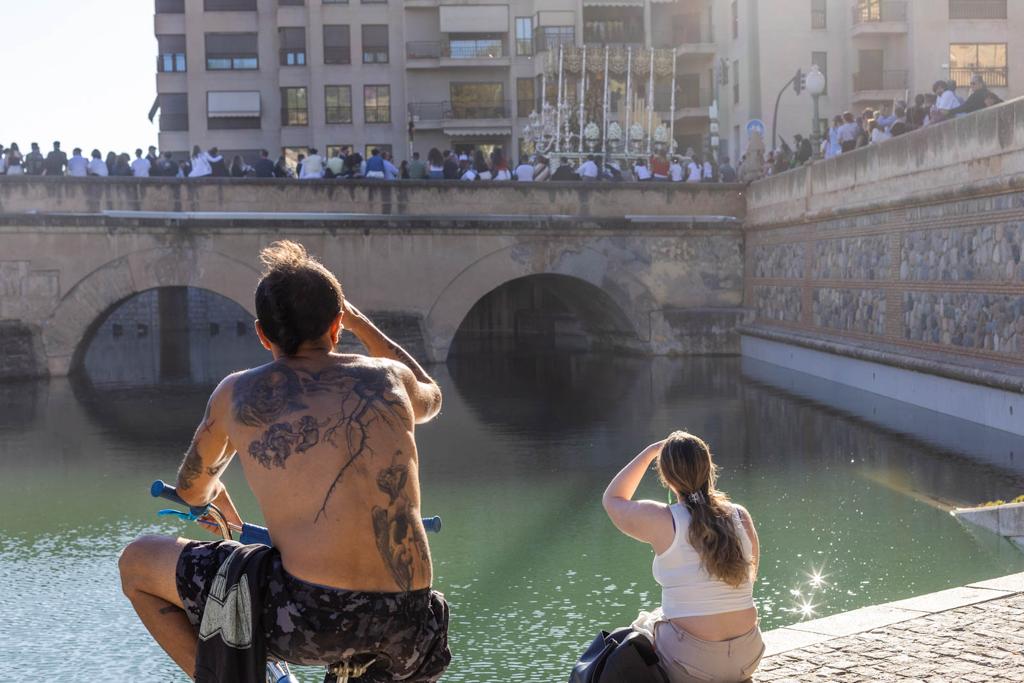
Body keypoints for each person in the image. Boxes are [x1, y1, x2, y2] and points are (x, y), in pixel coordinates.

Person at [118, 241, 451, 681]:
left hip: (311, 618)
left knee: (137, 563)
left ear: (262, 333)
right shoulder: (391, 379)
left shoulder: (236, 394)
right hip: (413, 623)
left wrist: (214, 496)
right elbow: (432, 397)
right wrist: (362, 325)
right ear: (336, 326)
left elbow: (194, 489)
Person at [603, 432, 762, 683]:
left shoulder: (663, 519)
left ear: (666, 477)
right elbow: (751, 576)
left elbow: (612, 499)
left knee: (644, 624)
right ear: (709, 468)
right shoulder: (740, 516)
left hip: (691, 668)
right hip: (747, 658)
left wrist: (649, 452)